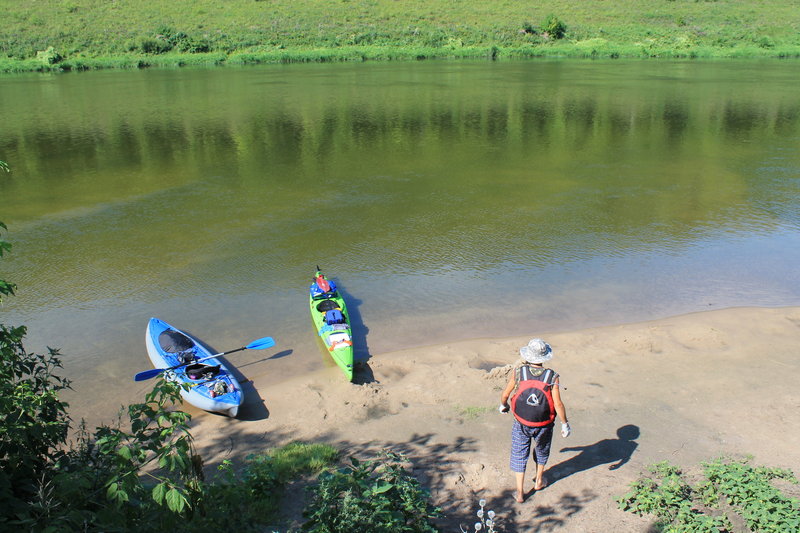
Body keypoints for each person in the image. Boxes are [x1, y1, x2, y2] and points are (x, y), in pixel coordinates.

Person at [499, 338, 570, 503]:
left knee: (519, 453)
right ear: (544, 357)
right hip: (544, 424)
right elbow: (558, 404)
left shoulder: (519, 372)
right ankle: (538, 481)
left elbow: (505, 394)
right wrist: (565, 424)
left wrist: (503, 406)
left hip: (521, 422)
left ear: (528, 355)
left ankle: (519, 493)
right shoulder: (552, 376)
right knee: (542, 450)